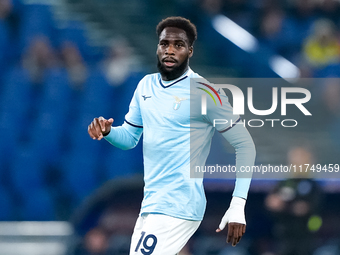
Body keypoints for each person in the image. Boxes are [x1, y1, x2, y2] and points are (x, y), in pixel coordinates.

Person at [88, 16, 256, 255]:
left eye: (178, 45)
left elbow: (245, 145)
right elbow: (130, 138)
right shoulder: (145, 86)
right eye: (164, 44)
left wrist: (238, 205)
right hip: (152, 204)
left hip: (179, 204)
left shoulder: (205, 92)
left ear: (190, 51)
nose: (169, 50)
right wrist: (108, 132)